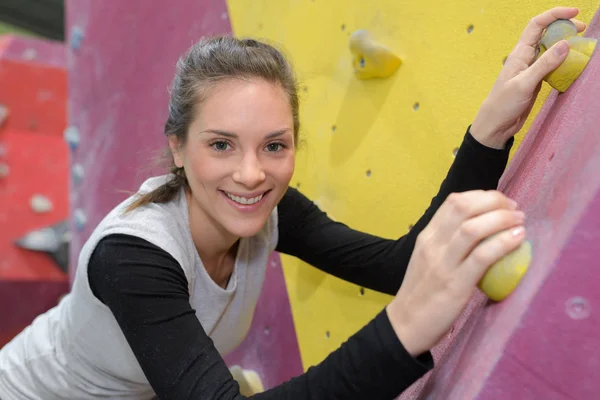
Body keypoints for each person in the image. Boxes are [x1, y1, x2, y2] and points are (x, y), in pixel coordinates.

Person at [0, 6, 586, 400]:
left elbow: (399, 264)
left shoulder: (266, 209)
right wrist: (405, 328)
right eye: (221, 144)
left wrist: (490, 130)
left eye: (274, 145)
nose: (252, 173)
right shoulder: (133, 258)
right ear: (177, 147)